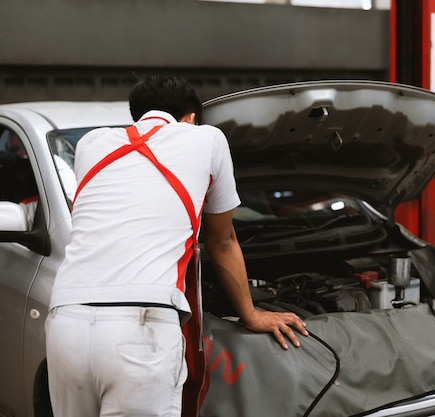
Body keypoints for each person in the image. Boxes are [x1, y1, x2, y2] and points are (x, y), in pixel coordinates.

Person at [45, 74, 308, 417]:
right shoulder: (208, 139)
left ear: (136, 115)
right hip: (141, 329)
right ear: (190, 118)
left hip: (66, 320)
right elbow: (222, 240)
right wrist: (251, 314)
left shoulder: (91, 144)